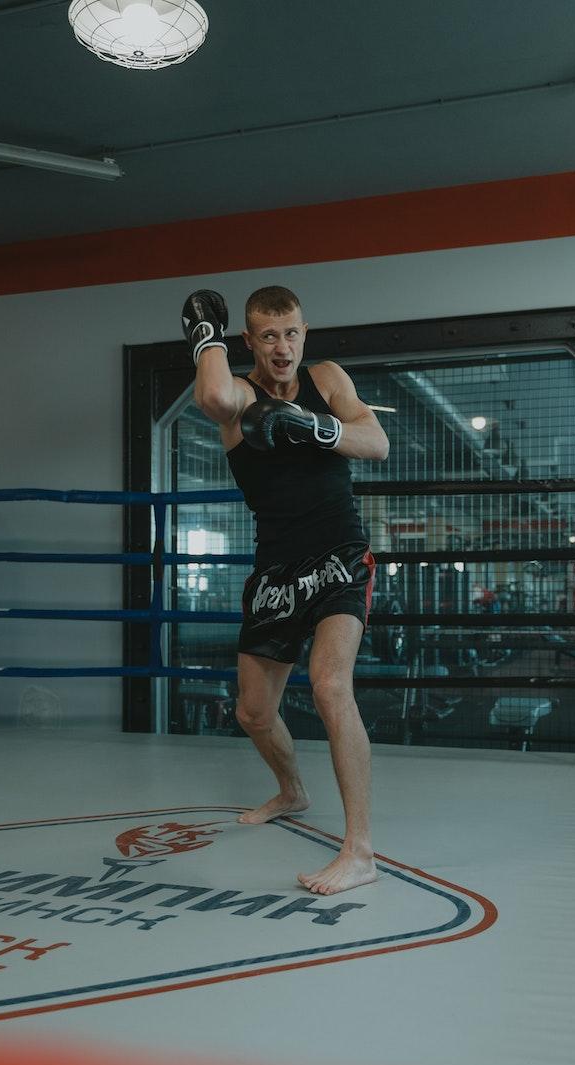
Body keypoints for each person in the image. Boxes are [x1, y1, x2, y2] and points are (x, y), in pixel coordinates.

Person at [181, 285, 389, 895]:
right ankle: (293, 791)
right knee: (253, 711)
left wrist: (313, 428)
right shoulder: (240, 396)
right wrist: (206, 341)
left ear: (305, 332)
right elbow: (215, 394)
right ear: (249, 340)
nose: (283, 347)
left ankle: (360, 850)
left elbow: (376, 442)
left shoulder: (327, 378)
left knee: (329, 685)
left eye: (292, 332)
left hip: (340, 556)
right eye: (269, 336)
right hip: (276, 567)